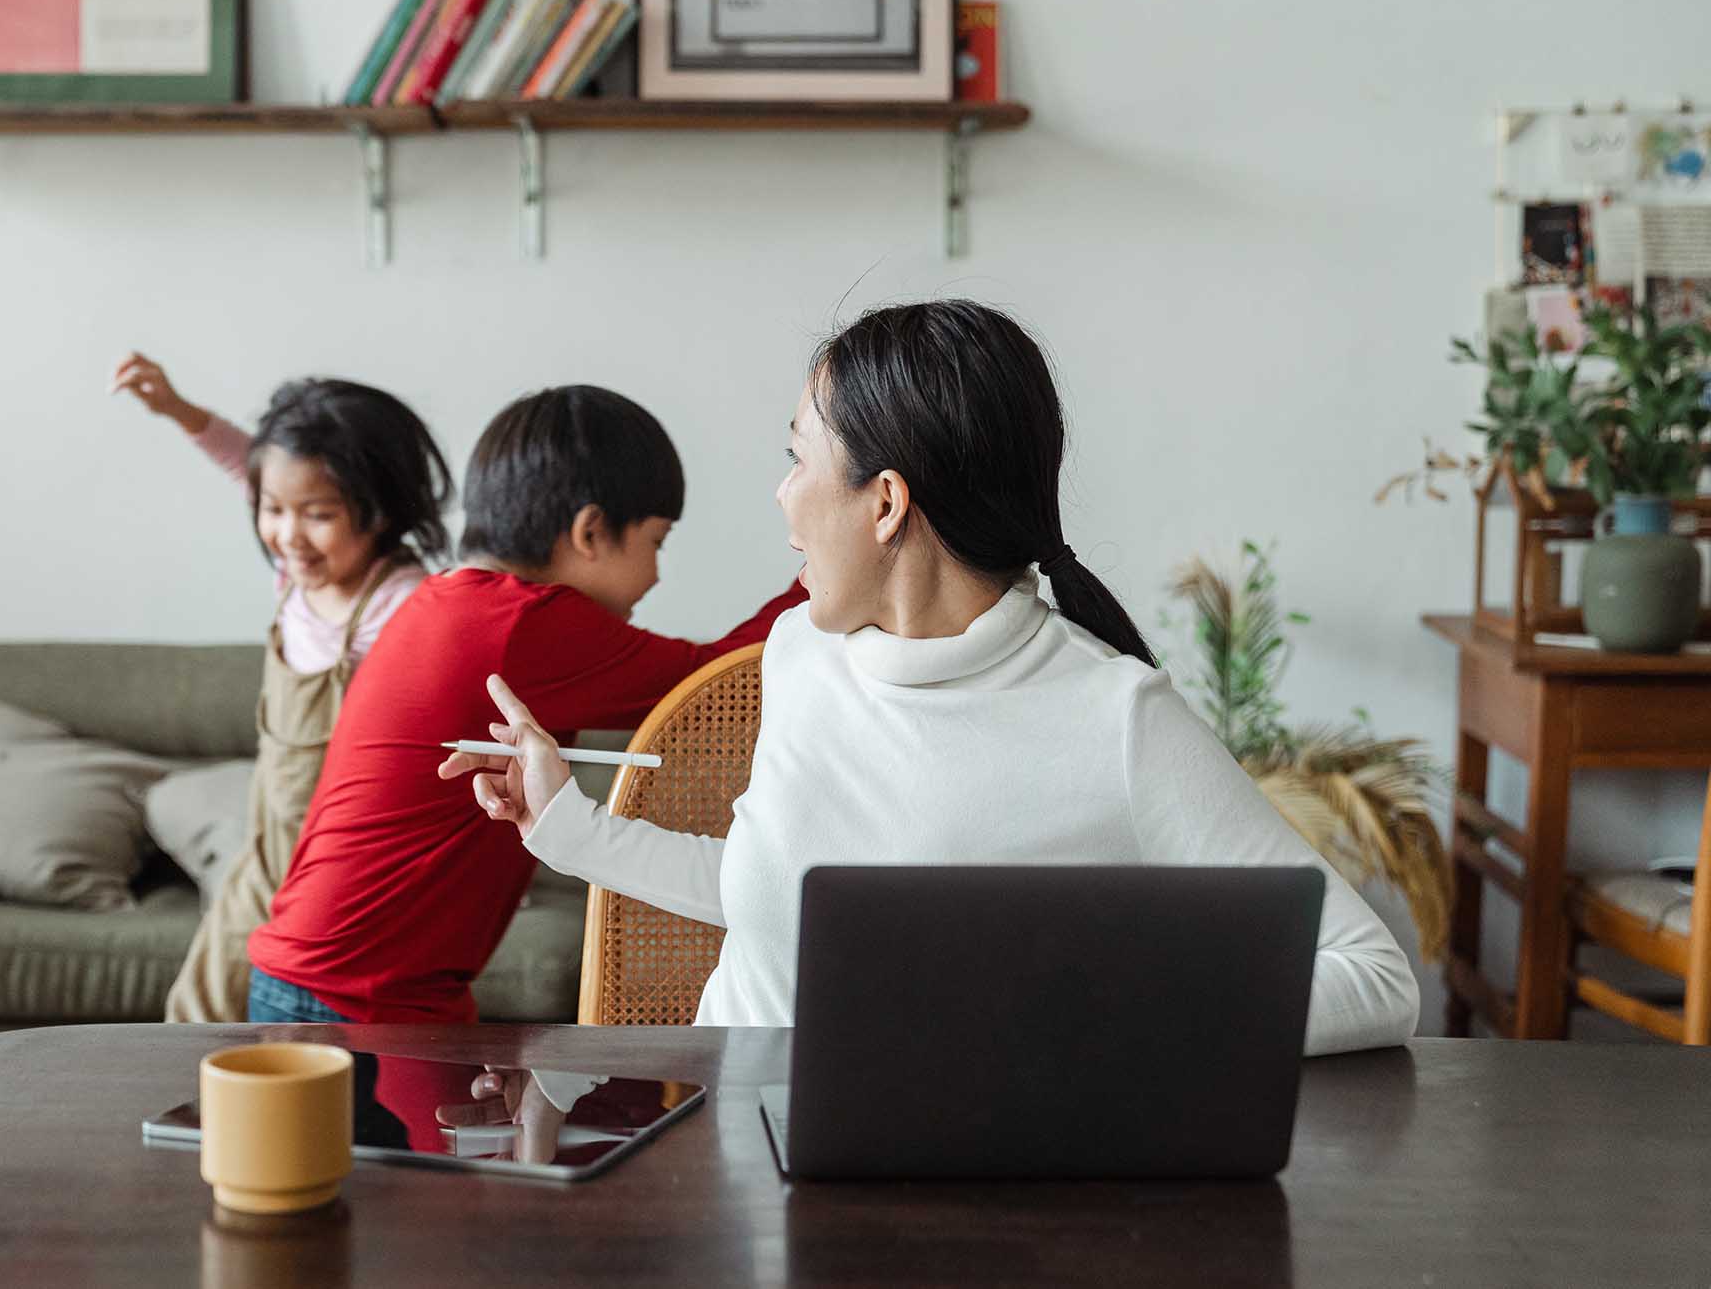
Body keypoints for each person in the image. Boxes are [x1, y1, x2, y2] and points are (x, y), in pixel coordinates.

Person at [440, 301, 1420, 1057]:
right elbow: (778, 899)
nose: (781, 496)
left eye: (794, 458)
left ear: (884, 503)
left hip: (953, 1198)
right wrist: (566, 826)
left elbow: (1372, 976)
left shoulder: (1115, 718)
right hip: (728, 1165)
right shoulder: (798, 654)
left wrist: (1090, 1012)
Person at [244, 384, 807, 1025]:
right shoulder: (520, 624)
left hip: (334, 981)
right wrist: (825, 563)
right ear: (591, 531)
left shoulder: (451, 601)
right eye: (656, 541)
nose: (655, 574)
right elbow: (714, 686)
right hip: (351, 999)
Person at [109, 353, 452, 1023]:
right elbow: (250, 464)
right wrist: (180, 411)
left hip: (336, 865)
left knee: (273, 1020)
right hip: (266, 842)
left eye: (318, 514)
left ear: (381, 508)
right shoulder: (299, 575)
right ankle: (196, 1122)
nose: (288, 534)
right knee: (197, 1006)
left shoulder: (401, 605)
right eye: (273, 510)